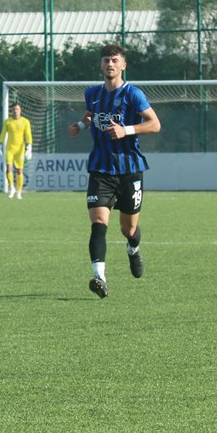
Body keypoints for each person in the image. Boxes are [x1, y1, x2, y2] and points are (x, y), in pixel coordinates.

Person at [68, 44, 161, 299]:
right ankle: (100, 278)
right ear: (101, 65)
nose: (110, 64)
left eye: (115, 60)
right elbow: (90, 115)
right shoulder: (93, 94)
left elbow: (155, 124)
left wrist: (126, 130)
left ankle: (133, 248)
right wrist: (80, 125)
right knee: (98, 223)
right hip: (100, 168)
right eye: (106, 60)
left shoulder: (133, 94)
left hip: (130, 169)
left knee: (128, 229)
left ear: (123, 65)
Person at [0, 102, 33, 199]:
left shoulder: (25, 121)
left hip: (20, 150)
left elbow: (28, 134)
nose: (15, 111)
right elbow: (3, 133)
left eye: (17, 109)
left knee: (19, 171)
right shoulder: (8, 122)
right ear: (12, 111)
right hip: (10, 149)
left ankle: (19, 192)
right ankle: (12, 187)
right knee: (8, 168)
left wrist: (29, 147)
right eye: (14, 109)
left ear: (20, 110)